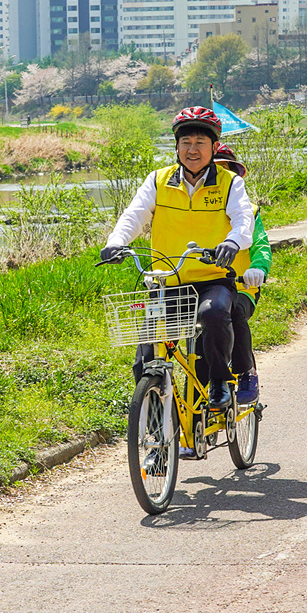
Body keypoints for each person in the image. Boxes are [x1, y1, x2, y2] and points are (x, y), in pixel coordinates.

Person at [100, 107, 253, 410]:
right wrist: (116, 242)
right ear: (176, 147)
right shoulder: (158, 180)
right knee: (146, 357)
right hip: (167, 282)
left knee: (213, 314)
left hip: (212, 280)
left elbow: (243, 220)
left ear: (214, 147)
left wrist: (233, 242)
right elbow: (134, 215)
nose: (192, 150)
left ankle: (220, 381)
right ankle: (157, 418)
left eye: (200, 143)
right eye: (186, 142)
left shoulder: (230, 183)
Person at [210, 143, 269, 405]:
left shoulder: (250, 211)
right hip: (202, 283)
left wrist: (258, 268)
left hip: (242, 286)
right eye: (216, 169)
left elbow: (261, 246)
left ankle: (246, 372)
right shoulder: (193, 207)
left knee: (234, 312)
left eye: (227, 170)